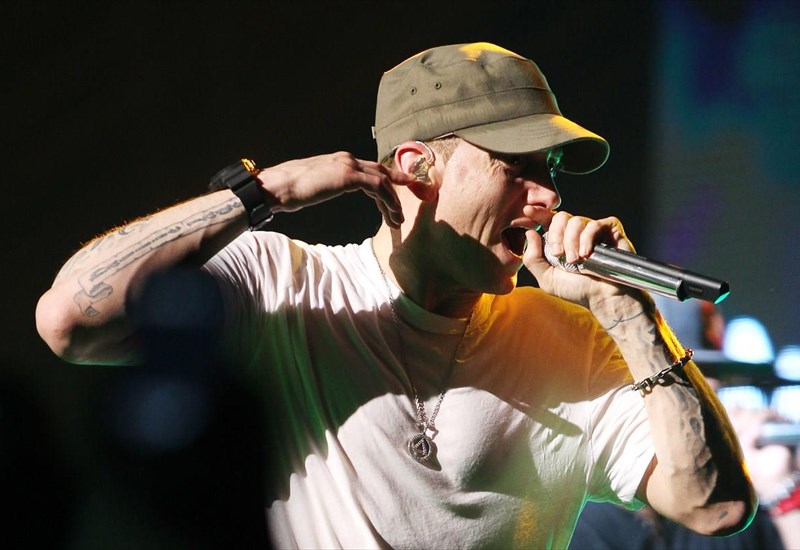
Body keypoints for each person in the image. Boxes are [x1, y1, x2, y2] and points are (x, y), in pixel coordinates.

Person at [36, 42, 756, 548]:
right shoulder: (283, 283)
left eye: (551, 171)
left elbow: (717, 508)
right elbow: (71, 320)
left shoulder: (574, 340)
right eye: (517, 167)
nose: (548, 197)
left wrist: (629, 315)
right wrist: (263, 192)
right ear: (416, 167)